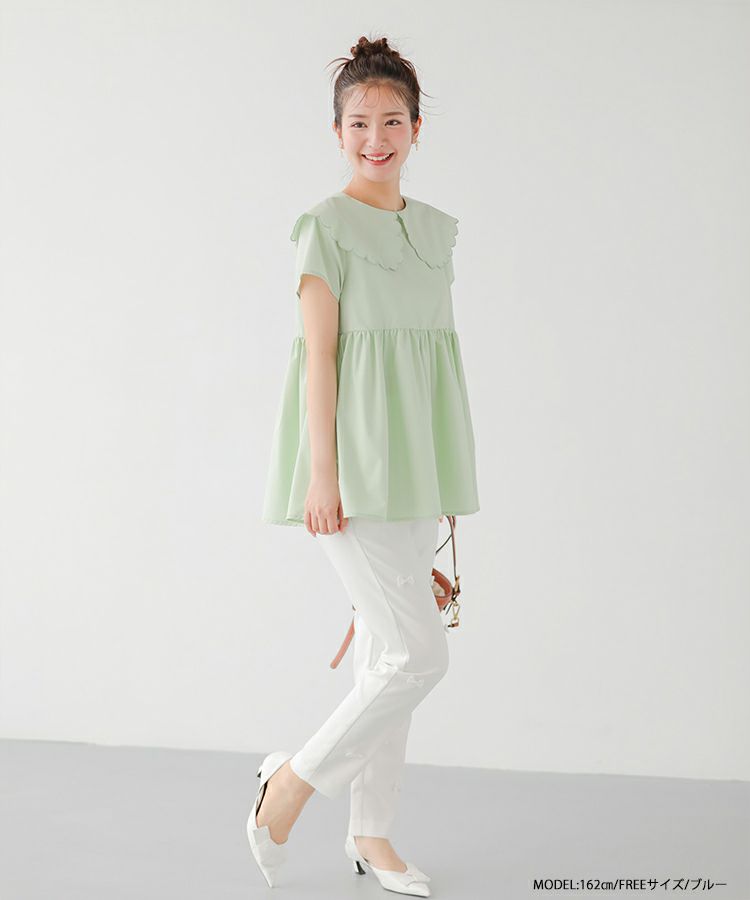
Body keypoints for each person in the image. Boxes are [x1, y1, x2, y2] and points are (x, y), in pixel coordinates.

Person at [249, 35, 480, 895]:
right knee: (419, 657)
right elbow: (321, 357)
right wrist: (323, 474)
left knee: (388, 654)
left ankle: (371, 832)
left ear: (417, 128)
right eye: (358, 122)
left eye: (391, 121)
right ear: (336, 130)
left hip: (416, 466)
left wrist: (439, 475)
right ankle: (288, 787)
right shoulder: (325, 227)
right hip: (348, 468)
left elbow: (429, 360)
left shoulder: (436, 231)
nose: (375, 138)